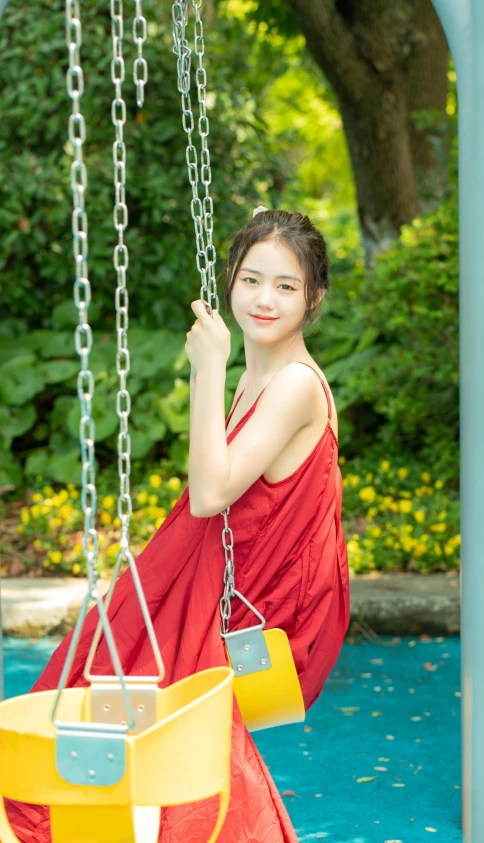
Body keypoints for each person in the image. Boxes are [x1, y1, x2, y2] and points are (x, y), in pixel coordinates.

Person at [5, 208, 350, 843]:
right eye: (252, 280)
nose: (265, 300)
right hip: (222, 578)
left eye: (287, 286)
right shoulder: (260, 374)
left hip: (259, 601)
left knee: (166, 708)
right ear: (229, 280)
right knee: (112, 683)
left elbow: (209, 495)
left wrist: (207, 368)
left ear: (314, 297)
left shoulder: (295, 385)